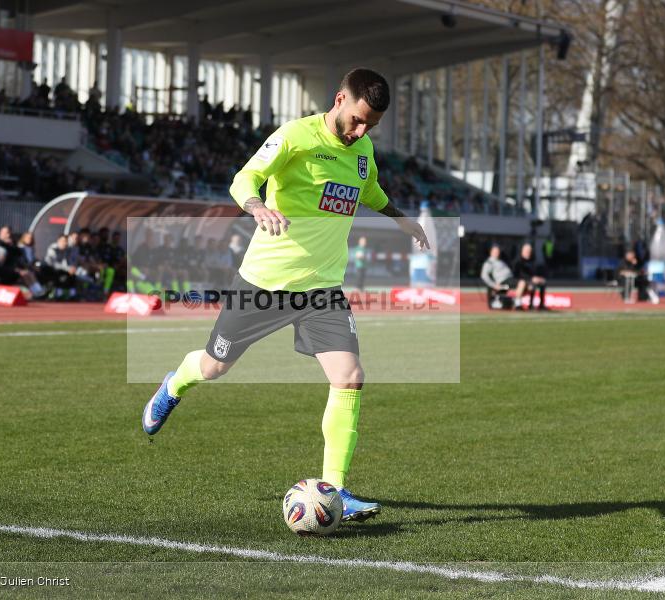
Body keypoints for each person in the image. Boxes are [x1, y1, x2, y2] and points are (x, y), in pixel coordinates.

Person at [142, 68, 429, 523]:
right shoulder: (296, 136)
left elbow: (370, 190)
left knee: (350, 377)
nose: (361, 132)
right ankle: (173, 385)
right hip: (265, 283)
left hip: (322, 290)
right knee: (214, 367)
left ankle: (335, 489)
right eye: (357, 120)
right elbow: (244, 177)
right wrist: (257, 206)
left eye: (371, 125)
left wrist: (401, 219)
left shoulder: (363, 150)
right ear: (339, 99)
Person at [513, 243, 547, 311]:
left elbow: (534, 273)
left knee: (543, 282)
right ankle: (526, 305)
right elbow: (517, 274)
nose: (528, 252)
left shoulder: (532, 260)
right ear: (522, 251)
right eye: (526, 250)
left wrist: (538, 278)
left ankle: (541, 305)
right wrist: (531, 279)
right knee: (531, 285)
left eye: (529, 251)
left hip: (530, 280)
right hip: (520, 281)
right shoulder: (518, 261)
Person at [480, 244, 513, 309]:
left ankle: (515, 301)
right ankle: (498, 301)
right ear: (491, 252)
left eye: (498, 252)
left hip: (509, 281)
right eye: (495, 252)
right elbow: (484, 276)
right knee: (520, 283)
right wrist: (494, 285)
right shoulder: (489, 262)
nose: (497, 253)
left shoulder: (500, 261)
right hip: (502, 283)